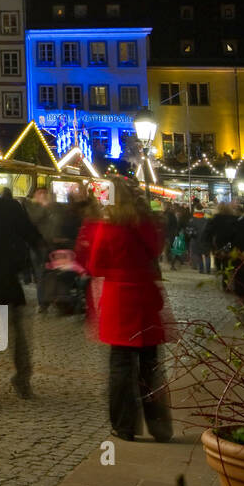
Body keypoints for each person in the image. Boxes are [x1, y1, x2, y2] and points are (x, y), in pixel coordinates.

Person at [77, 181, 172, 442]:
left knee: (121, 363)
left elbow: (95, 263)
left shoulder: (109, 227)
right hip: (145, 294)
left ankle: (124, 425)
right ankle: (159, 424)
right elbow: (156, 249)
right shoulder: (145, 223)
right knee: (150, 364)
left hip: (119, 298)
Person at [0, 178, 42, 401]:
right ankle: (22, 380)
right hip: (8, 277)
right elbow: (31, 234)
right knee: (18, 331)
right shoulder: (11, 207)